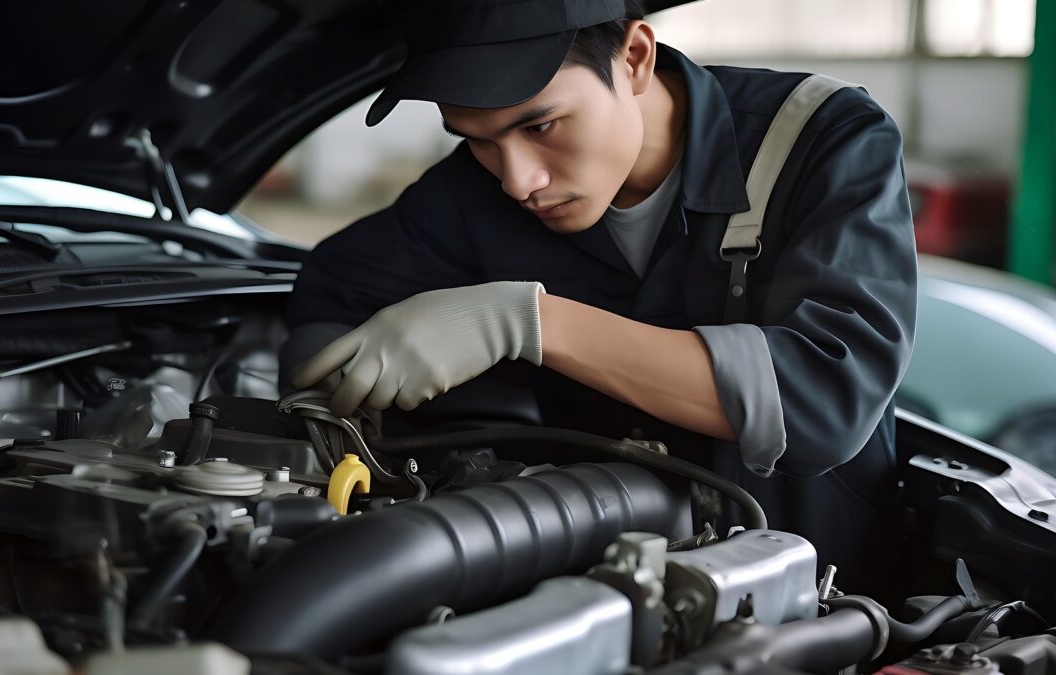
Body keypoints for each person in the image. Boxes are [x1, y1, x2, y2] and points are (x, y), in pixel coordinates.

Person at [284, 0, 917, 591]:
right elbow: (336, 294)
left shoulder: (818, 140)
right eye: (475, 139)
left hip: (821, 596)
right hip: (594, 586)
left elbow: (822, 401)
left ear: (635, 57)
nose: (517, 181)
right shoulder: (467, 194)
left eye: (542, 124)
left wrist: (525, 323)